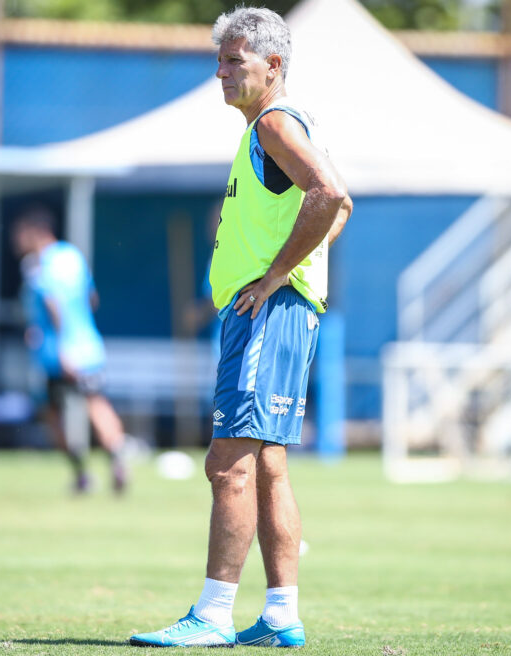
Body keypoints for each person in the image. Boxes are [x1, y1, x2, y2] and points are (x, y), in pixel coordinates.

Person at [130, 7, 352, 648]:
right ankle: (281, 614)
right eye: (219, 60)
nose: (222, 72)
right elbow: (343, 200)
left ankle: (212, 614)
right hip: (272, 313)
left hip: (268, 315)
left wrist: (279, 273)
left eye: (236, 61)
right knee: (268, 467)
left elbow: (331, 194)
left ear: (273, 66)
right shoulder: (274, 124)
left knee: (228, 465)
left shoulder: (277, 122)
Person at [12, 207, 128, 494]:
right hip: (89, 347)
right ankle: (117, 459)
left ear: (36, 233)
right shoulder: (73, 256)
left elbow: (53, 306)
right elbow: (92, 298)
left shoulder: (38, 264)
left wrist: (61, 345)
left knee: (51, 413)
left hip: (58, 354)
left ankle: (81, 473)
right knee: (96, 402)